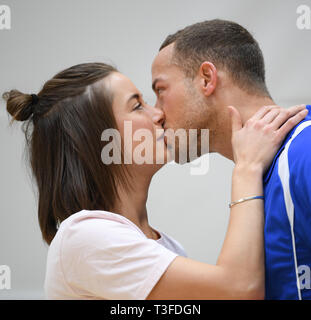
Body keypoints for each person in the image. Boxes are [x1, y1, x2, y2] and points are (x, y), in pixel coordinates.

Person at [3, 62, 306, 300]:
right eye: (137, 106)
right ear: (96, 141)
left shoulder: (163, 245)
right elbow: (239, 289)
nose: (158, 114)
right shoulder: (84, 237)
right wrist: (247, 168)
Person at [151, 19, 311, 299]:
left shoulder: (303, 154)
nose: (157, 114)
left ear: (206, 79)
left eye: (160, 91)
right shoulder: (258, 174)